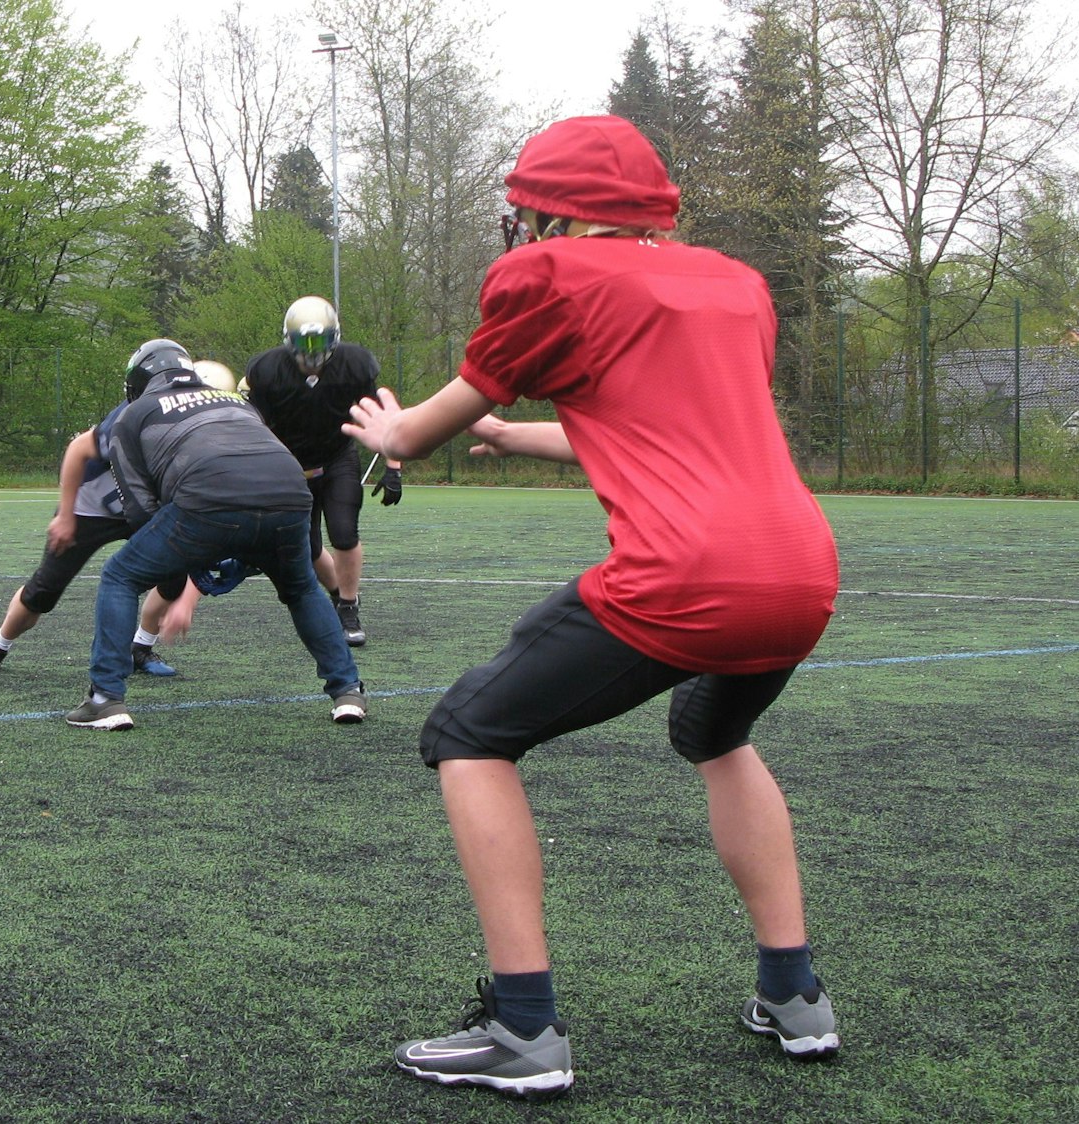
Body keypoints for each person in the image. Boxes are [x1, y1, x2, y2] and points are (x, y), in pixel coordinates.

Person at [342, 115, 841, 1100]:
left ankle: (524, 1026)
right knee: (712, 731)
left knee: (468, 732)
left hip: (685, 573)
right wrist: (511, 437)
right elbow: (662, 431)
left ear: (553, 211)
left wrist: (395, 429)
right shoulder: (735, 287)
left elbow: (419, 433)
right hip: (802, 569)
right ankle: (796, 994)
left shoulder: (552, 275)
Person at [65, 339, 365, 731]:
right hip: (291, 492)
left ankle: (105, 697)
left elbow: (140, 510)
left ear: (138, 381)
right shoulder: (237, 402)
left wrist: (188, 559)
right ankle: (347, 690)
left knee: (120, 575)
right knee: (302, 589)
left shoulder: (134, 413)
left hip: (209, 497)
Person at [0, 363, 246, 678]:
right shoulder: (138, 414)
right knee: (44, 590)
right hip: (93, 507)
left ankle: (141, 647)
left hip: (145, 509)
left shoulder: (209, 432)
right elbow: (78, 448)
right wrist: (66, 515)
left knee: (174, 580)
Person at [244, 296, 401, 647]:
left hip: (336, 458)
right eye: (305, 342)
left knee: (344, 533)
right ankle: (337, 596)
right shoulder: (268, 371)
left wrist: (394, 466)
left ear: (335, 338)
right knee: (308, 546)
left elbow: (381, 416)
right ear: (289, 340)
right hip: (290, 466)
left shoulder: (354, 365)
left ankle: (349, 607)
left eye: (320, 341)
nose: (313, 352)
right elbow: (254, 426)